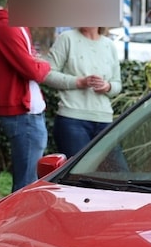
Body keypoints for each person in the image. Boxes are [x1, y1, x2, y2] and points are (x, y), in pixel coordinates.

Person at [0, 4, 51, 191]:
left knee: (28, 180)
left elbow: (32, 61)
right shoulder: (7, 26)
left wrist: (37, 63)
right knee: (26, 185)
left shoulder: (18, 24)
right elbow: (34, 70)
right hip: (23, 115)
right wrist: (45, 65)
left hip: (27, 113)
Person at [41, 27, 122, 158]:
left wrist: (108, 86)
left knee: (116, 170)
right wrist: (79, 82)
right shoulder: (66, 38)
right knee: (78, 171)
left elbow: (117, 83)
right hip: (72, 120)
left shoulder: (110, 45)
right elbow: (47, 74)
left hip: (105, 120)